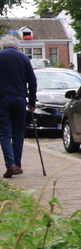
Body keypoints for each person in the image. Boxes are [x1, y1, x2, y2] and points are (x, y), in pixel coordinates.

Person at [0, 35, 37, 178]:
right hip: (20, 99)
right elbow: (32, 82)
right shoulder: (23, 58)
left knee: (4, 132)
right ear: (17, 45)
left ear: (3, 45)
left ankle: (10, 164)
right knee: (18, 133)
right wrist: (32, 103)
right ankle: (17, 164)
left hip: (2, 99)